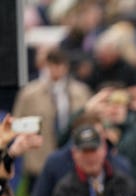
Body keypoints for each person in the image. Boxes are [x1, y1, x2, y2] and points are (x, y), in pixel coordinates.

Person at [11, 47, 91, 188]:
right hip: (39, 157)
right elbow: (16, 123)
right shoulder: (29, 94)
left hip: (72, 156)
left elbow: (88, 120)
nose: (56, 69)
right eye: (53, 65)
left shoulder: (80, 92)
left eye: (60, 65)